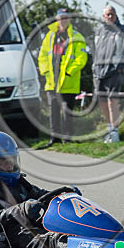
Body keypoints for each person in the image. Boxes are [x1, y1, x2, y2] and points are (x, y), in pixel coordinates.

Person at [37, 8, 88, 148]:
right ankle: (54, 138)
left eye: (66, 18)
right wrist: (44, 71)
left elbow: (82, 58)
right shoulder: (49, 36)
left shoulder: (77, 36)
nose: (63, 20)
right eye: (61, 18)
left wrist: (69, 72)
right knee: (53, 110)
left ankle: (68, 137)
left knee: (67, 110)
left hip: (68, 80)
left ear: (69, 19)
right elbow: (42, 56)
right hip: (52, 80)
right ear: (57, 19)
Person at [92, 5, 124, 143]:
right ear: (103, 16)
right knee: (102, 100)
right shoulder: (99, 31)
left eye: (112, 14)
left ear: (116, 15)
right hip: (99, 71)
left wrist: (121, 66)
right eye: (108, 14)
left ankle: (115, 132)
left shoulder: (122, 30)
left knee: (112, 100)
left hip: (115, 70)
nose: (110, 17)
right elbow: (94, 49)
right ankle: (109, 128)